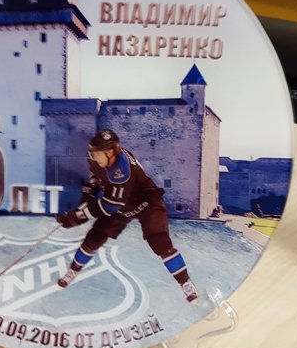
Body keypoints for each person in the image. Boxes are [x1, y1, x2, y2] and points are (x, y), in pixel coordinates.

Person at [56, 129, 198, 303]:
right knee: (94, 237)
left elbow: (109, 206)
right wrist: (89, 192)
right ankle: (73, 270)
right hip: (122, 202)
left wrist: (79, 215)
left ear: (110, 153)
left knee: (159, 241)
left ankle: (185, 282)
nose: (93, 157)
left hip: (146, 201)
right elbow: (96, 175)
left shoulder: (121, 171)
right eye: (92, 153)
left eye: (97, 154)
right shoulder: (97, 157)